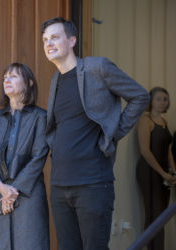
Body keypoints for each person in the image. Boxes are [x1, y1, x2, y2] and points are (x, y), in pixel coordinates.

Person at [41, 17, 150, 250]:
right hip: (60, 185)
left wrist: (114, 132)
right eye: (45, 40)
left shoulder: (96, 68)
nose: (49, 43)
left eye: (55, 37)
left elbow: (140, 96)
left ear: (72, 40)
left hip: (92, 183)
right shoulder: (54, 81)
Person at [0, 63, 50, 250]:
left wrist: (13, 192)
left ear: (29, 83)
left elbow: (39, 156)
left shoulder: (40, 117)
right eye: (5, 77)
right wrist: (1, 188)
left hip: (29, 194)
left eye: (13, 76)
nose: (7, 79)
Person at [136, 87, 176, 250]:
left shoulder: (164, 122)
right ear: (151, 101)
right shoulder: (145, 120)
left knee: (162, 216)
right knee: (153, 215)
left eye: (165, 99)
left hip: (164, 175)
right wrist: (163, 174)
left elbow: (168, 151)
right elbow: (145, 151)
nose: (162, 102)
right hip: (148, 172)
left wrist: (173, 171)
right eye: (158, 99)